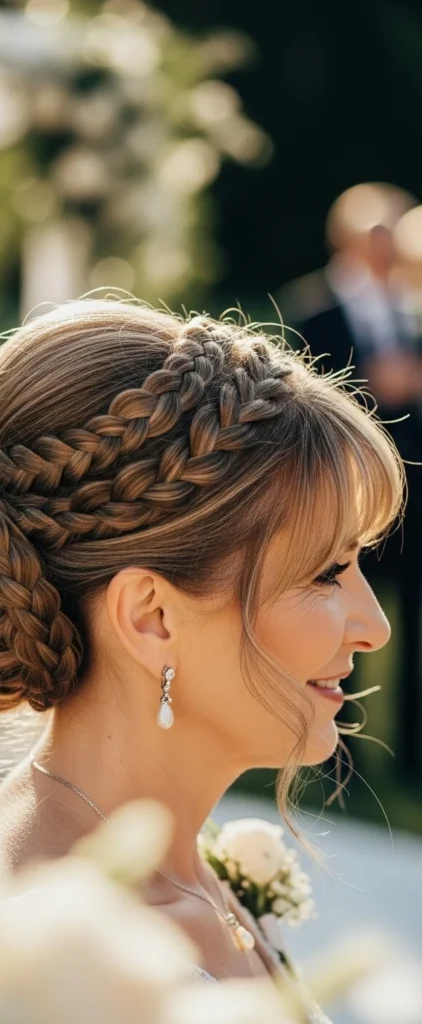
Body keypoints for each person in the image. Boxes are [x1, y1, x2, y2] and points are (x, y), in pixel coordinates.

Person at [0, 299, 401, 996]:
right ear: (151, 617)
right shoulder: (46, 970)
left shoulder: (190, 873)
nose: (372, 625)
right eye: (325, 572)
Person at [282, 183, 422, 778]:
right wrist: (374, 381)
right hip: (342, 498)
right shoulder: (310, 309)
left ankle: (412, 758)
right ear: (350, 238)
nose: (392, 248)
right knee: (339, 621)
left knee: (412, 627)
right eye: (381, 234)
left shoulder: (413, 309)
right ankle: (335, 756)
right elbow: (299, 405)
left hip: (415, 496)